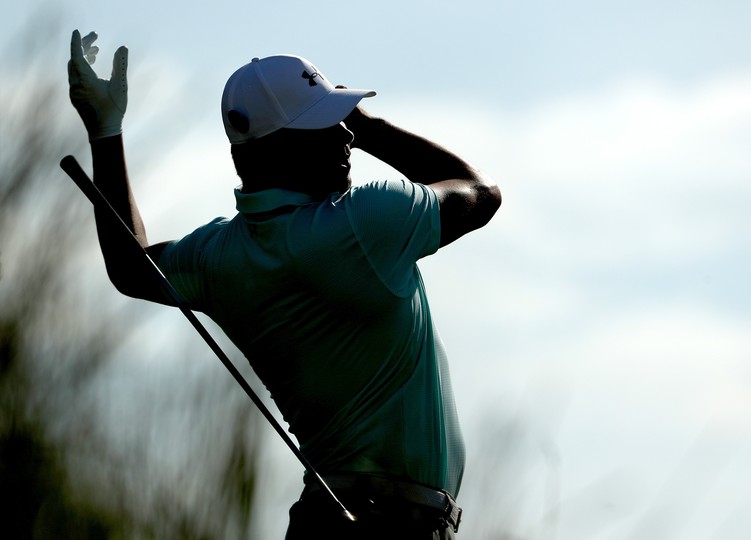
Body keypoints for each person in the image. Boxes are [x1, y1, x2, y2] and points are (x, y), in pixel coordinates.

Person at [67, 29, 501, 539]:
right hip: (397, 526)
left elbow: (131, 266)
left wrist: (105, 131)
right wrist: (373, 127)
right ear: (275, 151)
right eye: (326, 124)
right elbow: (480, 192)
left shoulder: (218, 258)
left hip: (324, 520)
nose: (345, 137)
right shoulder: (365, 221)